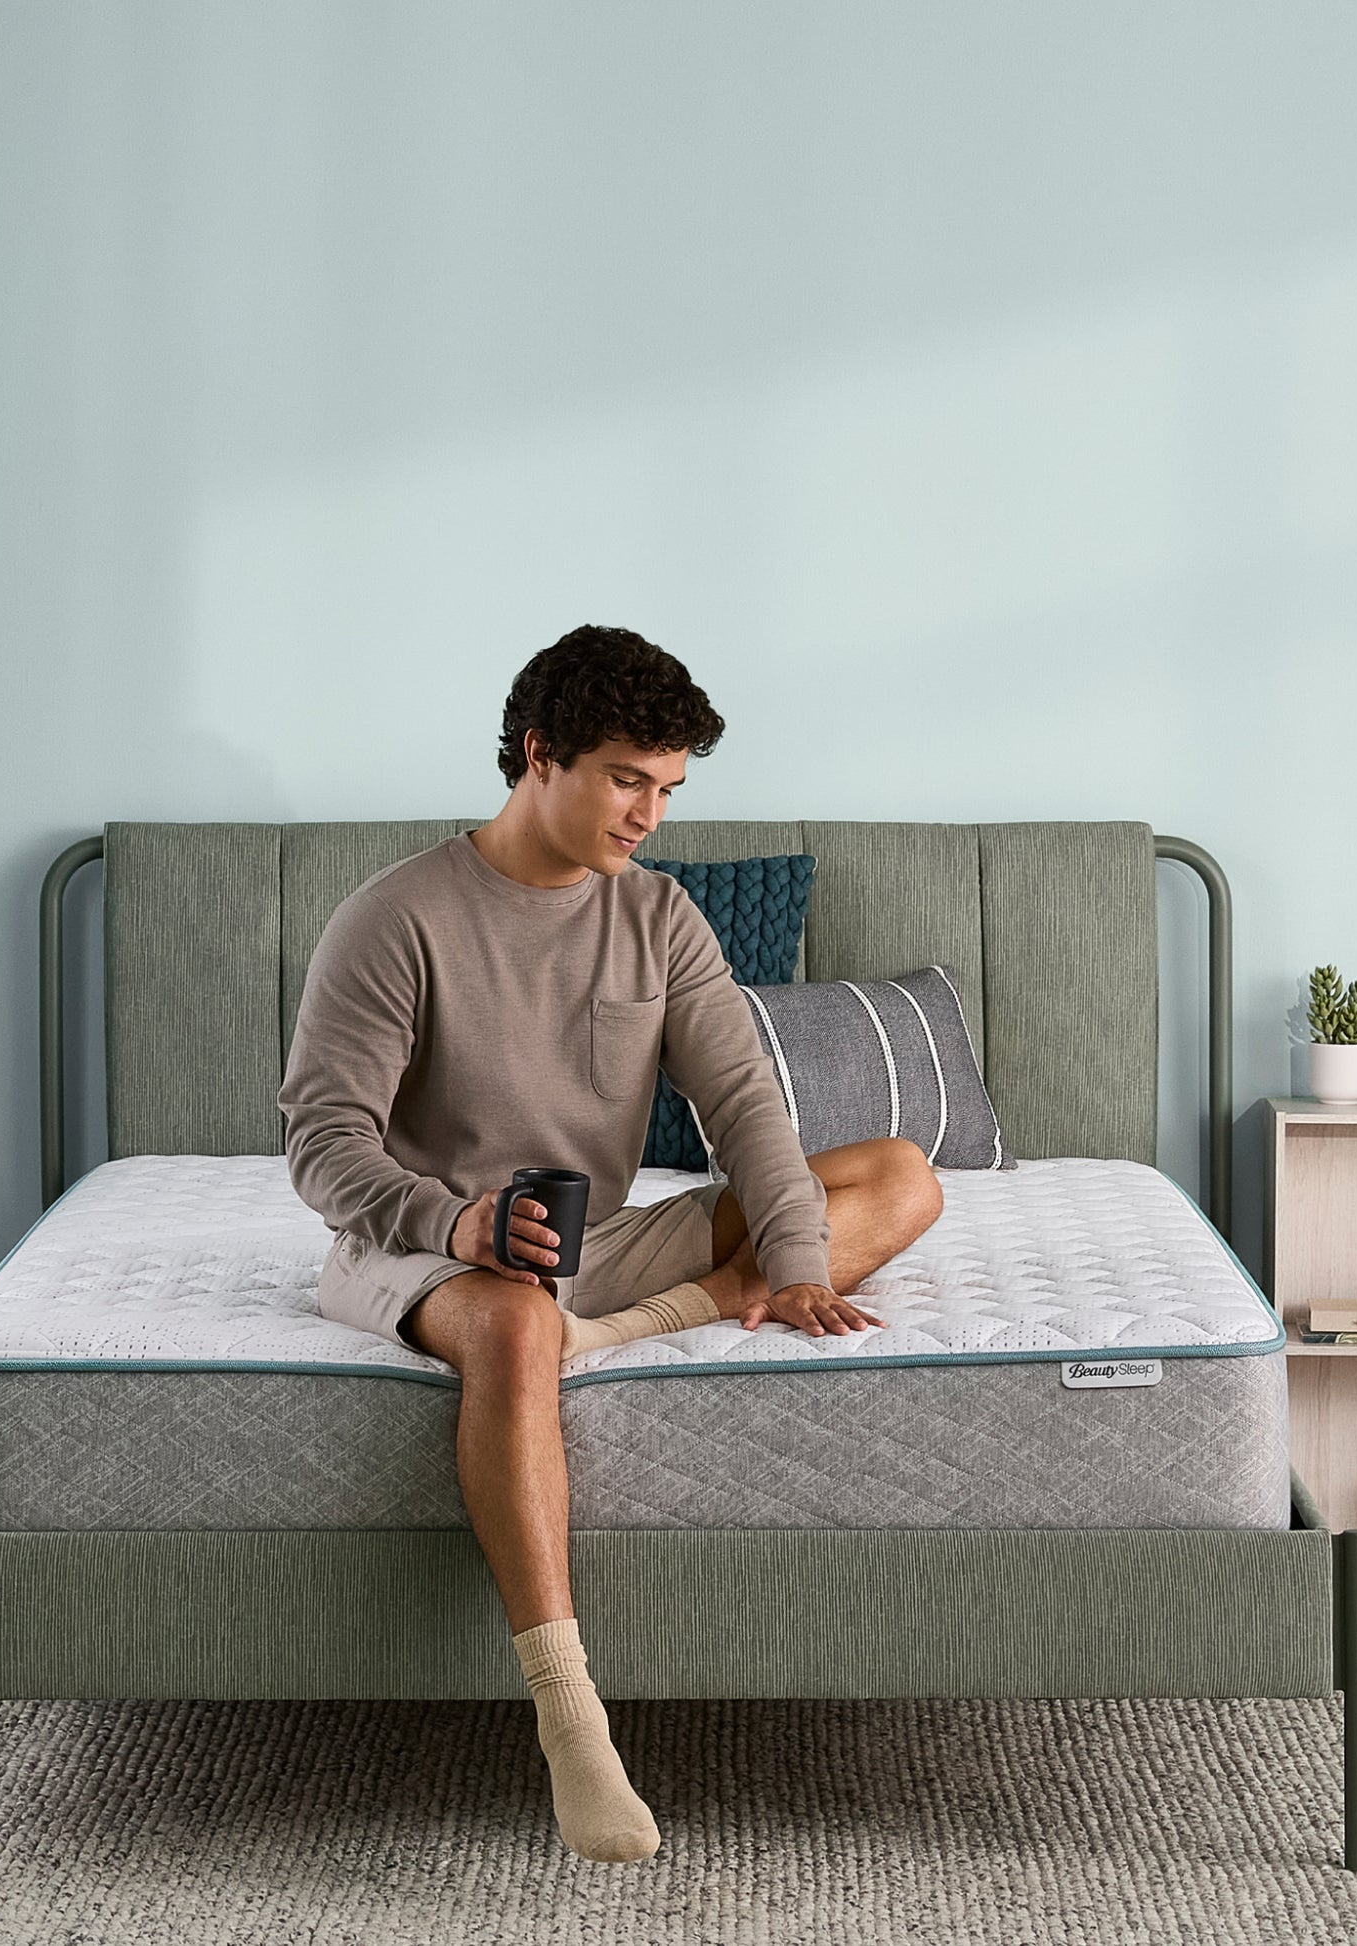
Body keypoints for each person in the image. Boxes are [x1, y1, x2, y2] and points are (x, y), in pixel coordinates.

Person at [279, 624, 945, 1862]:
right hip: (411, 1240)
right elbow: (322, 1146)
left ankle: (623, 1326)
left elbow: (746, 1104)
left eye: (669, 788)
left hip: (590, 1246)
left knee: (901, 1178)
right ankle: (571, 1718)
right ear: (540, 754)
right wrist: (455, 1220)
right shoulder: (395, 916)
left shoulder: (658, 915)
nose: (649, 814)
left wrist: (796, 1264)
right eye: (627, 779)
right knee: (516, 1317)